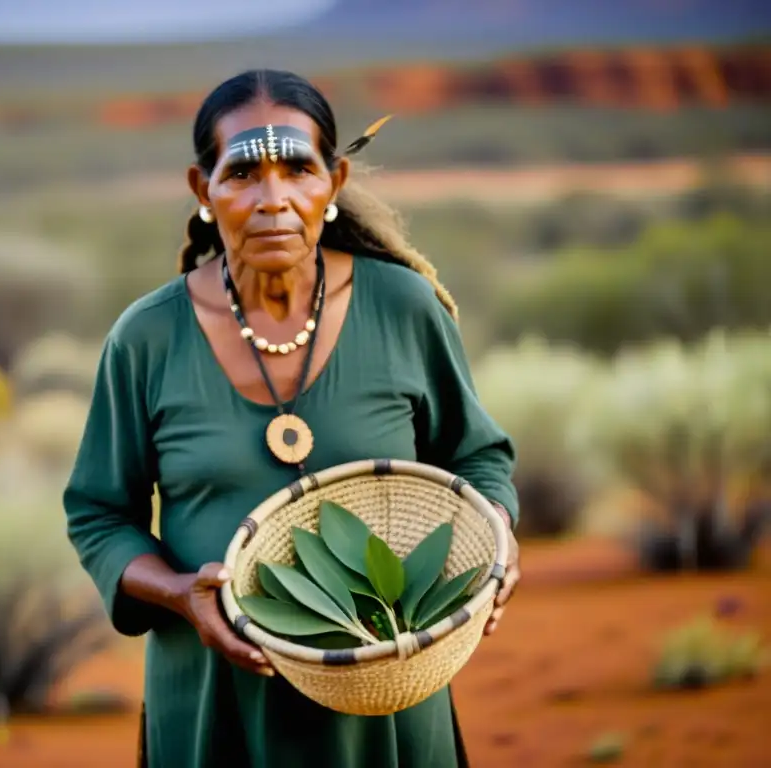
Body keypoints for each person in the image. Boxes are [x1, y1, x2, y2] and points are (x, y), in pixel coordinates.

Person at [63, 69, 522, 768]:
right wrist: (182, 595)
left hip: (385, 692)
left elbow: (478, 456)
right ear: (202, 191)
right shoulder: (147, 338)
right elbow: (99, 513)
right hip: (217, 699)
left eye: (298, 170)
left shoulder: (403, 307)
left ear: (333, 184)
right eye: (243, 173)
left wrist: (497, 541)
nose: (273, 200)